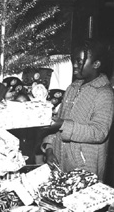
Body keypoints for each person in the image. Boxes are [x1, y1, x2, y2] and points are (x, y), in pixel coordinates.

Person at [42, 39, 114, 180]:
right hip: (60, 164)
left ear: (96, 64)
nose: (74, 65)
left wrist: (64, 125)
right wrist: (49, 149)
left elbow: (99, 132)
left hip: (85, 169)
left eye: (79, 62)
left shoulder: (104, 93)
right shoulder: (72, 87)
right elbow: (56, 124)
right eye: (73, 61)